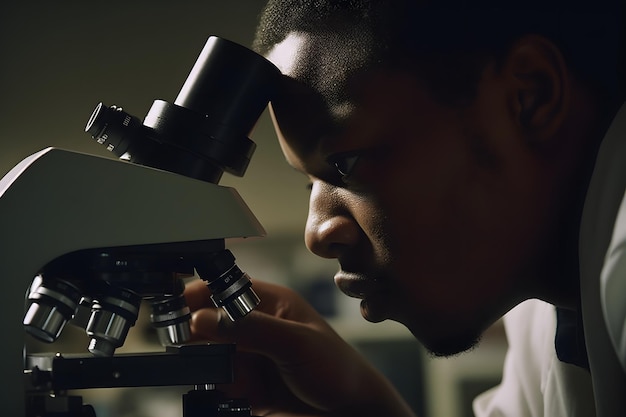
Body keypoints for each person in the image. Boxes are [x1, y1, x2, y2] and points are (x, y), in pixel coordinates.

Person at [184, 0, 626, 416]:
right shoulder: (543, 317)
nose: (317, 233)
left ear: (531, 96)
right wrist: (368, 407)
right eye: (309, 185)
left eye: (345, 163)